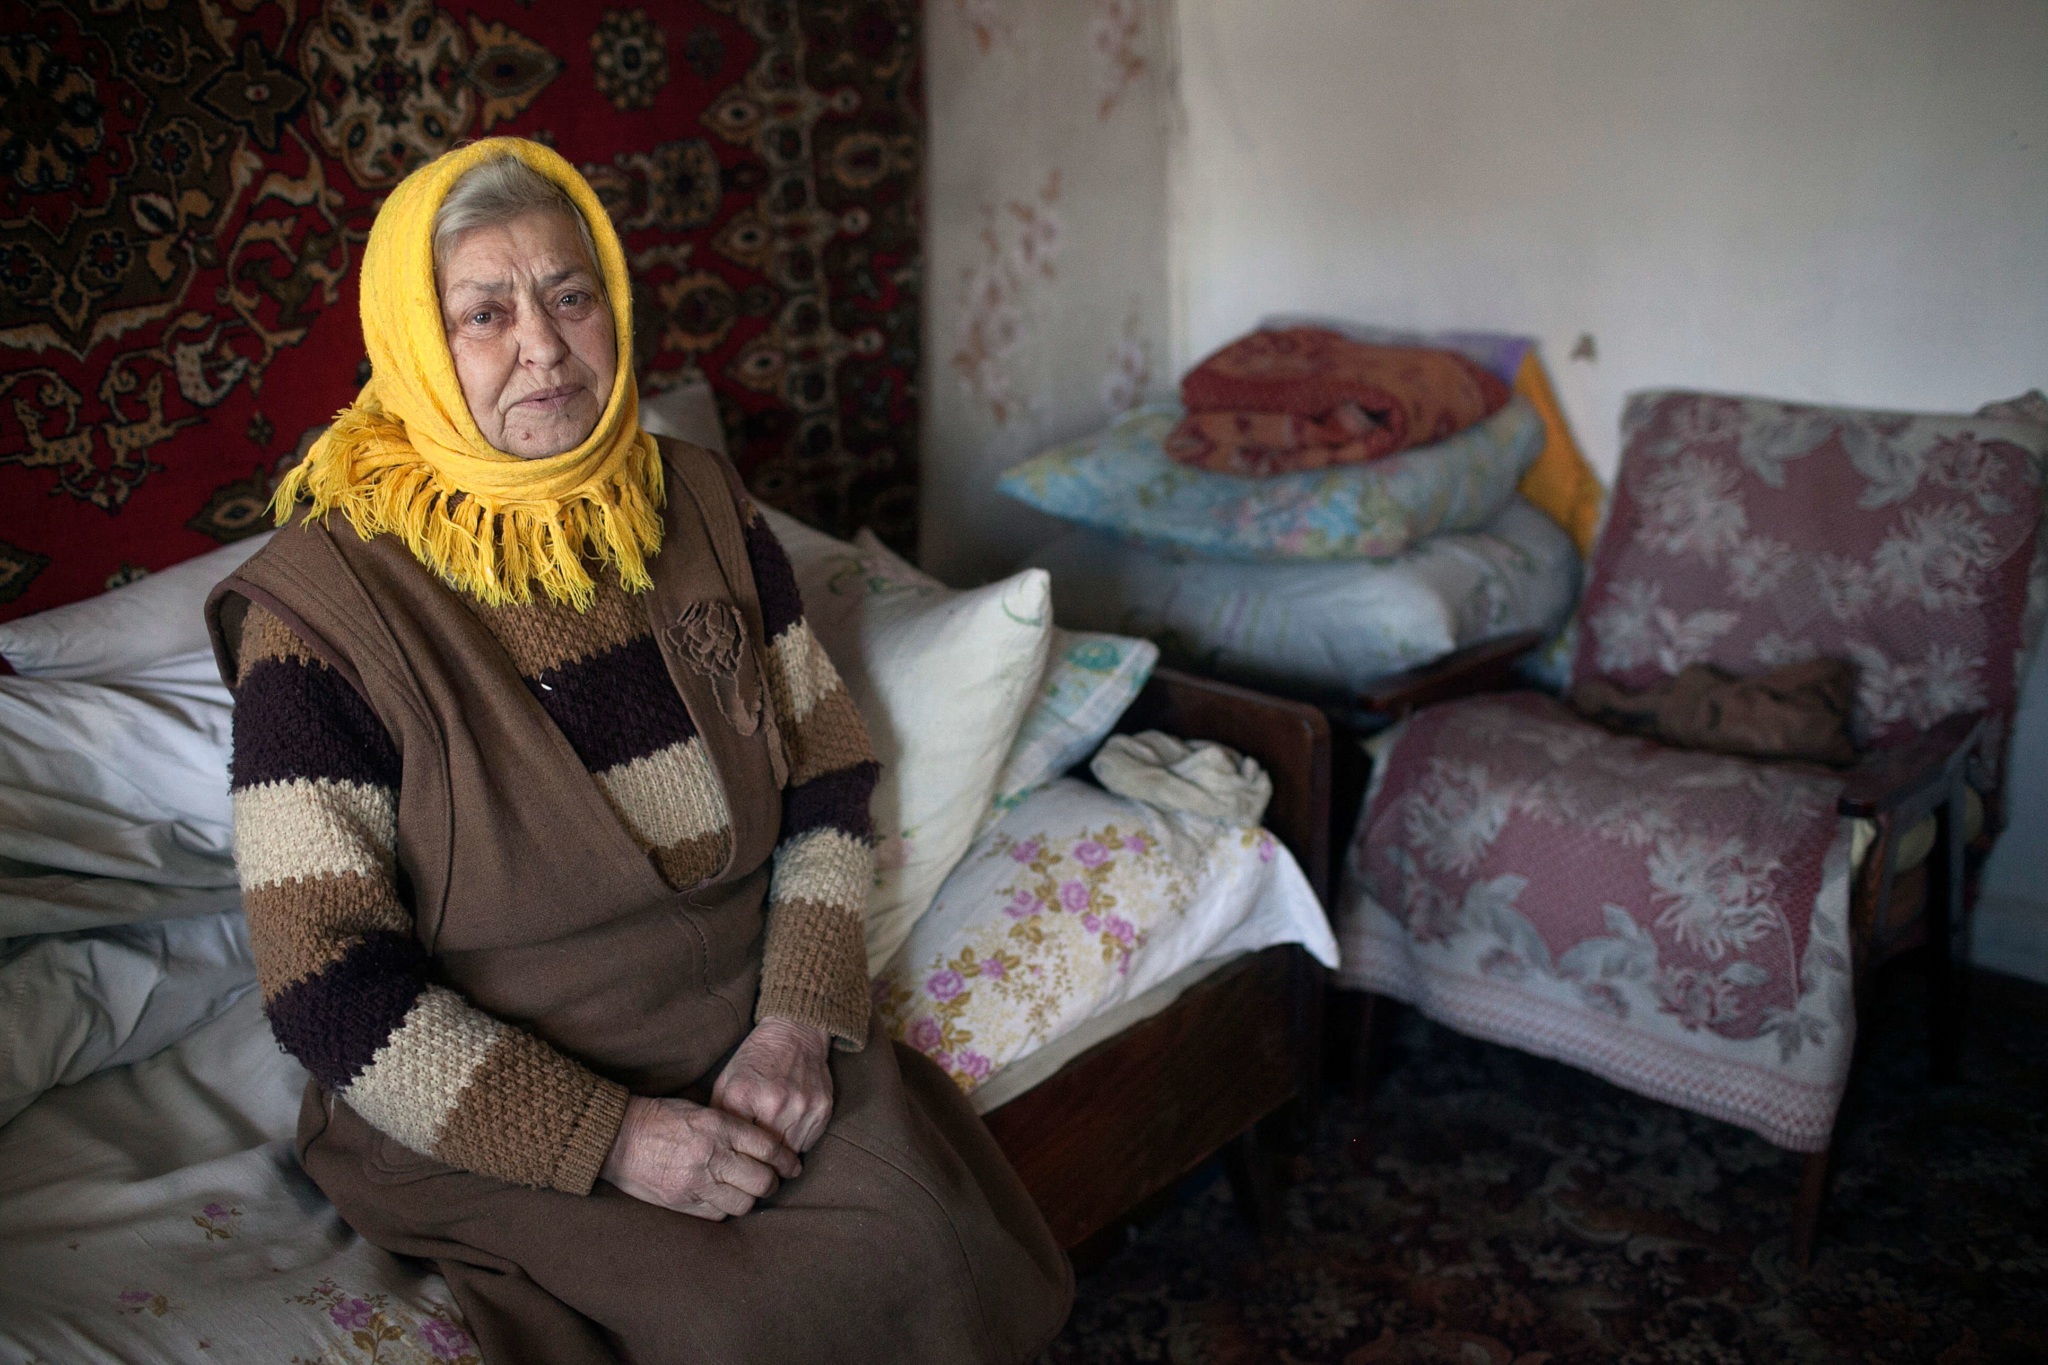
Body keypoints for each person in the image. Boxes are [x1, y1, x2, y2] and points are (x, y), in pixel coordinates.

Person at [207, 137, 1070, 1365]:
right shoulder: (320, 620)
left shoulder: (698, 501)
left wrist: (793, 1020)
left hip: (736, 1030)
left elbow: (827, 780)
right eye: (484, 314)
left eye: (570, 294)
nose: (545, 345)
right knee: (744, 1325)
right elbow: (326, 986)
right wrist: (611, 1140)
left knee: (939, 1239)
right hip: (495, 1095)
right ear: (412, 343)